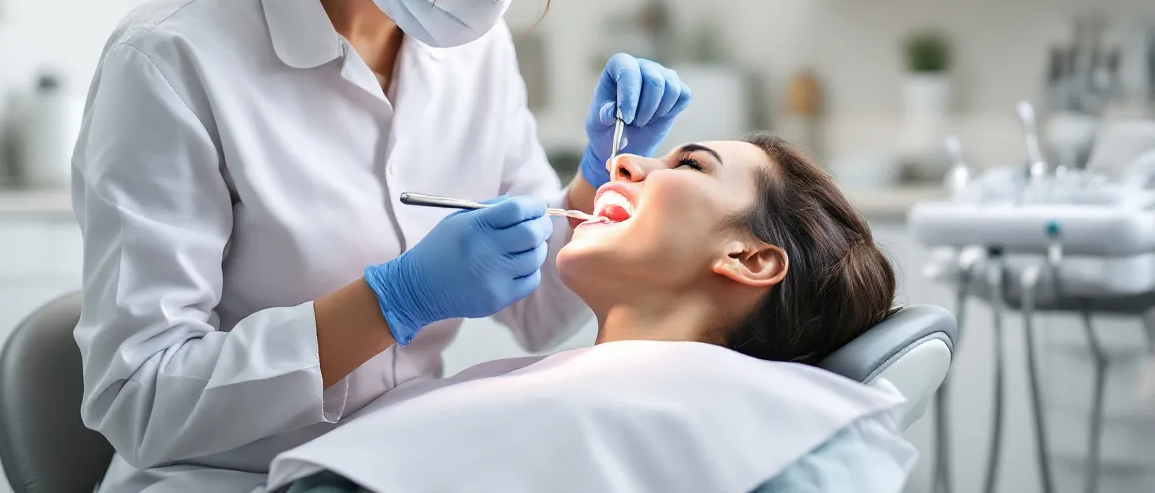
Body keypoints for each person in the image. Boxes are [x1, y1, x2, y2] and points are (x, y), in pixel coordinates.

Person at [71, 0, 691, 491]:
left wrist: (595, 187)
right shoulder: (173, 58)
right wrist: (392, 301)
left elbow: (539, 319)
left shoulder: (476, 55)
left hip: (398, 467)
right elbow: (140, 398)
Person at [264, 134, 911, 493]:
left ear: (749, 258)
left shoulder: (771, 434)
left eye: (688, 164)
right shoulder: (523, 386)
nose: (625, 162)